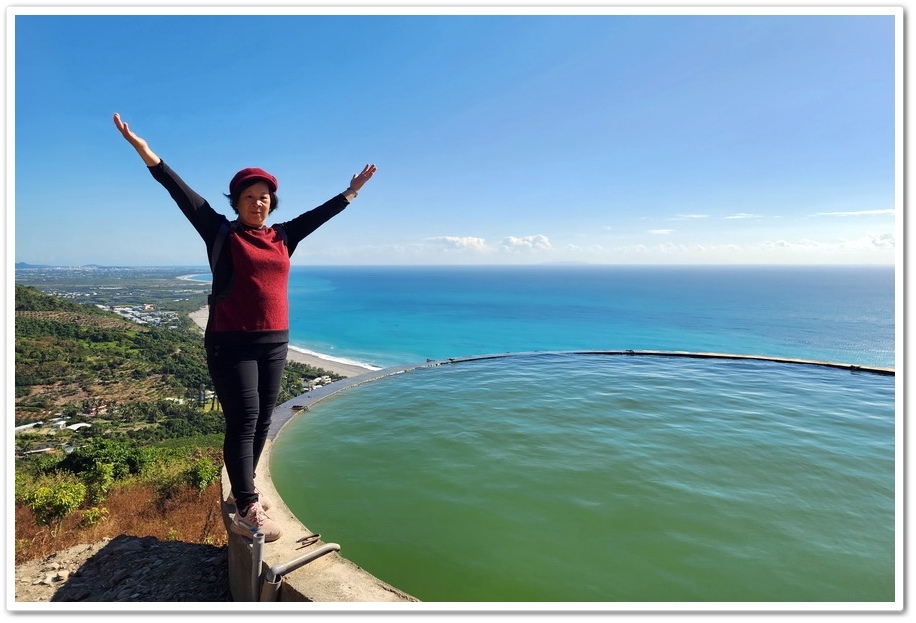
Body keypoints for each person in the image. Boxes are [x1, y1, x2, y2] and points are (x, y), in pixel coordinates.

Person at [113, 112, 376, 542]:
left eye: (266, 197)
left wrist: (351, 191)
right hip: (230, 341)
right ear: (235, 201)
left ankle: (244, 492)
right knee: (243, 418)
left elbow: (321, 214)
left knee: (260, 422)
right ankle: (249, 507)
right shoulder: (220, 232)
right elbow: (177, 189)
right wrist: (142, 149)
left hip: (275, 342)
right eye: (250, 196)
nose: (259, 202)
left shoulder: (283, 237)